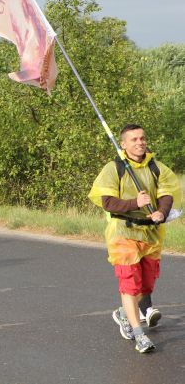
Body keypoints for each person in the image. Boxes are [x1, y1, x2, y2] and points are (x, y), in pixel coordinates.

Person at [88, 124, 181, 354]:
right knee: (129, 282)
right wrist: (133, 204)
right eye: (134, 139)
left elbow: (167, 193)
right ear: (123, 144)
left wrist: (162, 211)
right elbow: (107, 201)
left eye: (142, 138)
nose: (140, 143)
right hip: (123, 232)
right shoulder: (114, 168)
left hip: (150, 232)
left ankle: (123, 312)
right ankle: (139, 333)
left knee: (146, 285)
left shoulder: (156, 167)